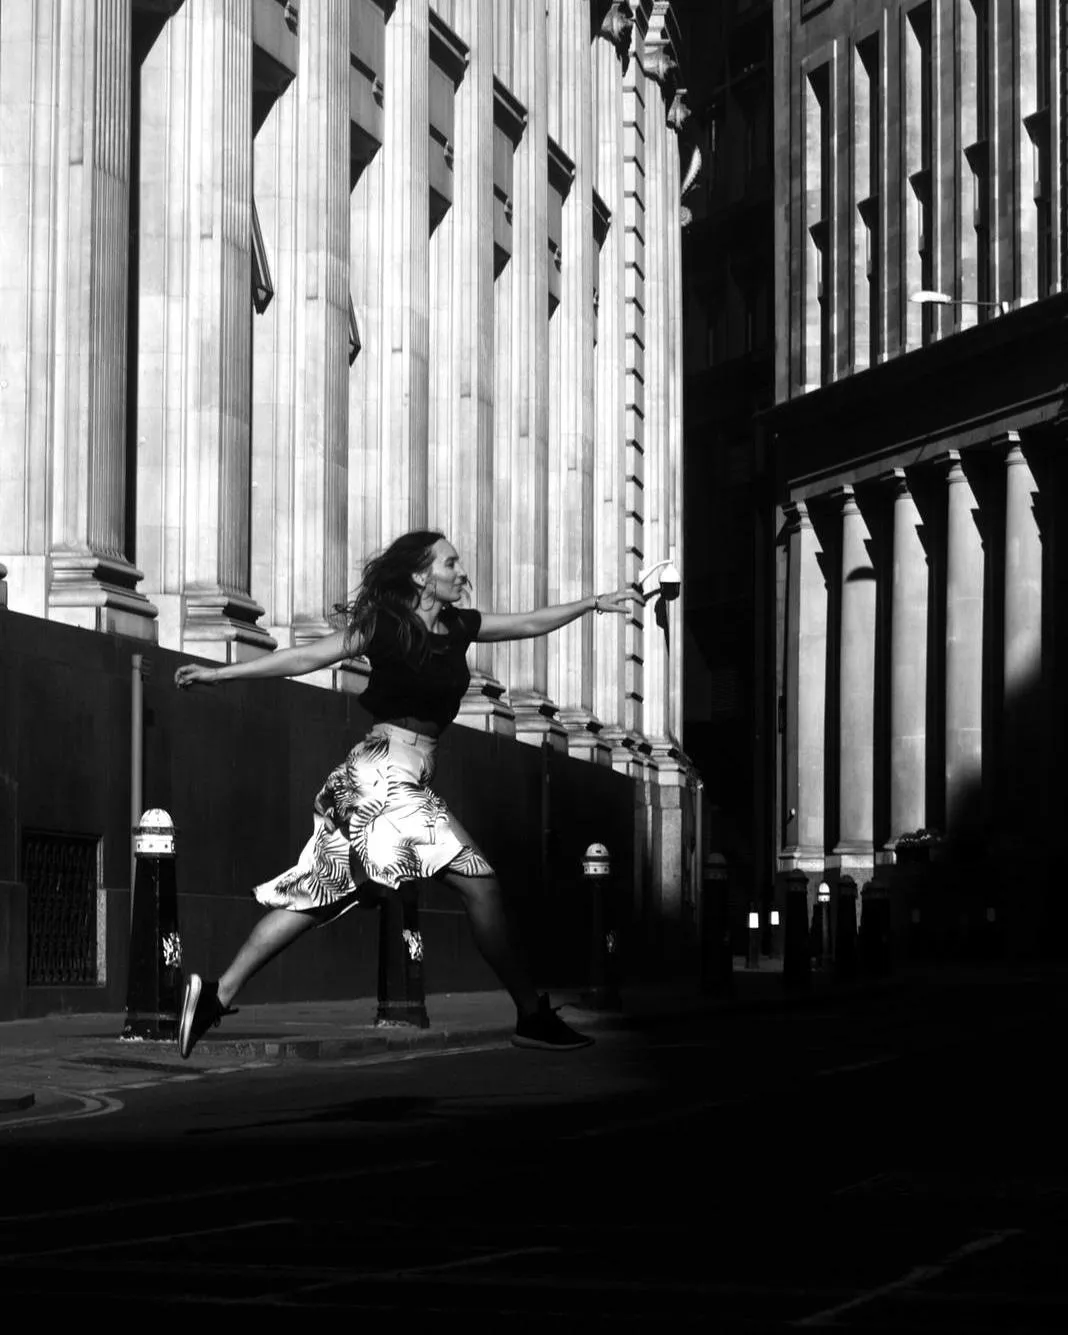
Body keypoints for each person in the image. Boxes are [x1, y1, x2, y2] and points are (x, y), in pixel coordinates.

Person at [174, 529, 641, 1058]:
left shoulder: (460, 626)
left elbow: (530, 622)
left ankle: (216, 993)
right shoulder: (385, 626)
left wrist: (593, 603)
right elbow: (307, 659)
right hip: (383, 776)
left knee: (320, 892)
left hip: (395, 777)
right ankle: (531, 1013)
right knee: (481, 886)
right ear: (422, 575)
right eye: (450, 563)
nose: (461, 572)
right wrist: (223, 674)